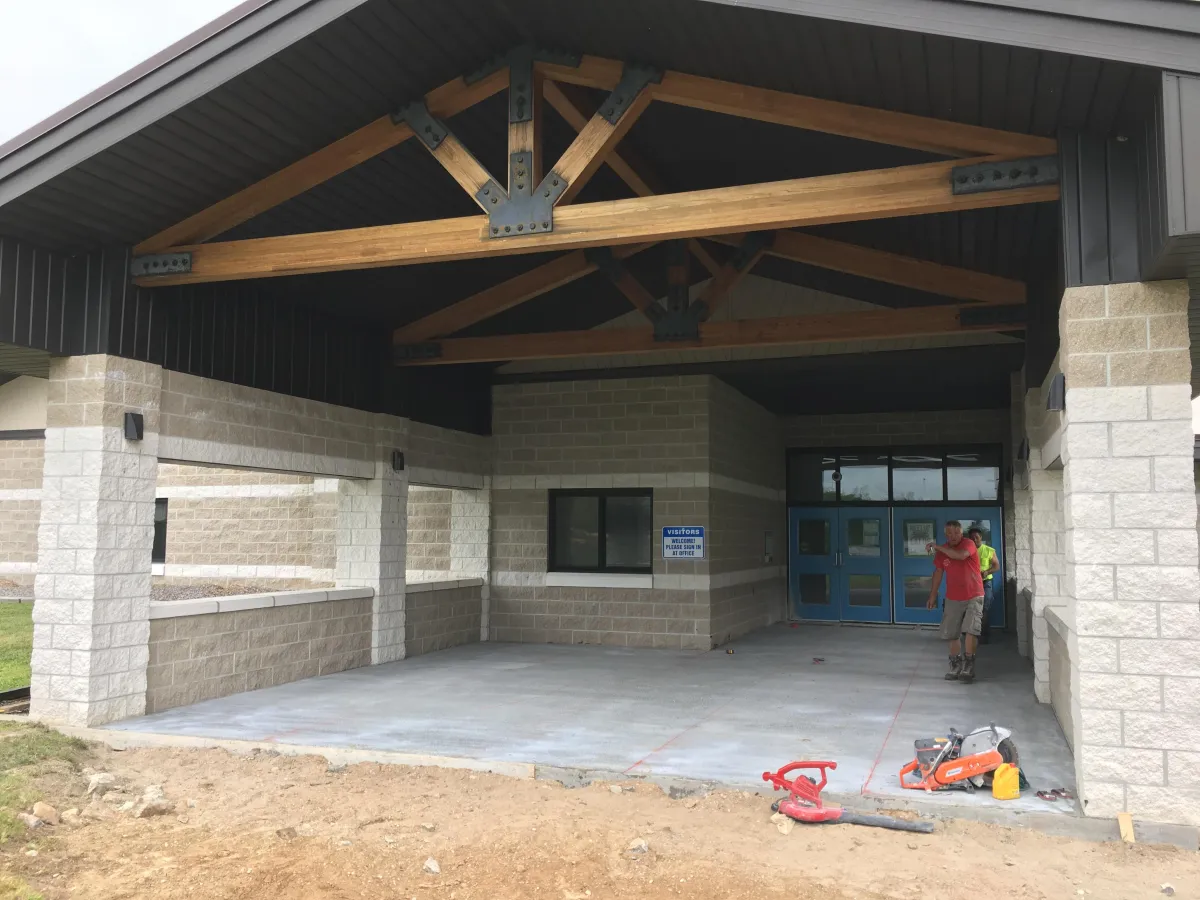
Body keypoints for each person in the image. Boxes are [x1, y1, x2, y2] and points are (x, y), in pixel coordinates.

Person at [925, 520, 985, 684]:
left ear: (961, 533)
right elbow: (938, 573)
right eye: (949, 533)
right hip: (953, 596)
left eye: (956, 533)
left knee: (971, 629)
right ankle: (955, 666)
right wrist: (932, 595)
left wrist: (937, 546)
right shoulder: (942, 551)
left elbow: (960, 555)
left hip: (974, 594)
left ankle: (969, 667)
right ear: (946, 535)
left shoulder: (969, 544)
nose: (953, 536)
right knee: (952, 632)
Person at [969, 527, 999, 644]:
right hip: (971, 583)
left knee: (984, 608)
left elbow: (996, 566)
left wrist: (987, 571)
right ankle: (971, 633)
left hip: (986, 583)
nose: (974, 539)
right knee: (971, 608)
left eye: (976, 537)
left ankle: (984, 635)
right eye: (972, 538)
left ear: (981, 537)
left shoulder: (989, 550)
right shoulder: (967, 551)